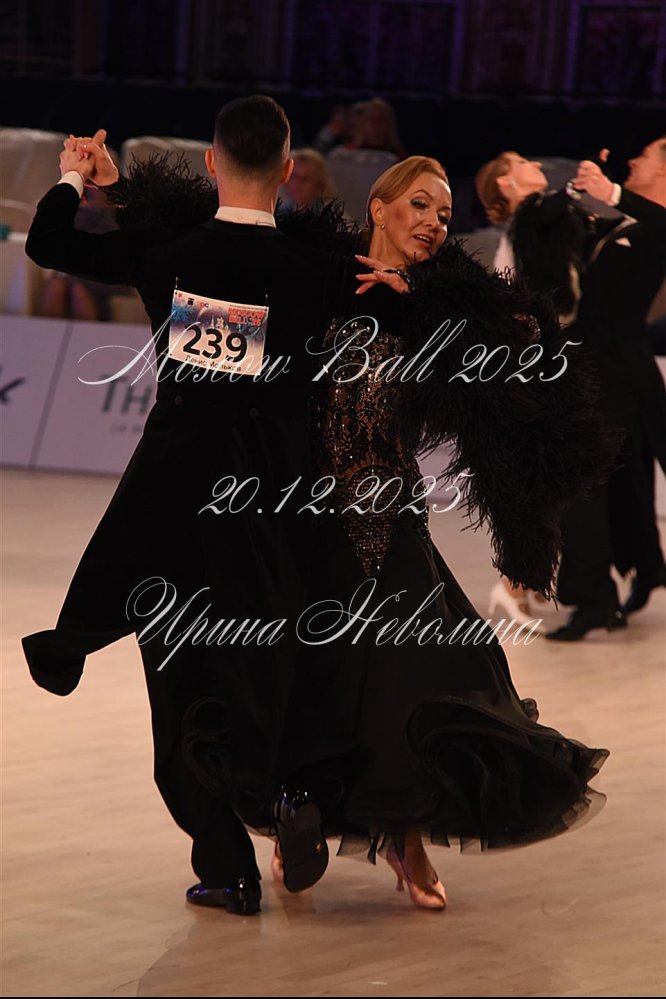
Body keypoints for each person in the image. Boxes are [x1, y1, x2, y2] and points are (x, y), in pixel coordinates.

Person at [186, 156, 611, 910]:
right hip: (299, 513)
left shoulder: (445, 304)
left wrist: (423, 303)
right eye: (419, 205)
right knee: (309, 675)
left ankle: (406, 835)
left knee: (420, 674)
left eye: (444, 215)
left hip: (389, 511)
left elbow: (524, 344)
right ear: (379, 206)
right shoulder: (319, 274)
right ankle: (296, 814)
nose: (433, 224)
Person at [20, 96, 380, 916]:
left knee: (181, 681)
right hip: (275, 502)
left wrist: (78, 178)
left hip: (175, 502)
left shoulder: (167, 252)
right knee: (273, 659)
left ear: (212, 162)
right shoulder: (315, 271)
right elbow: (402, 302)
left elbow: (49, 244)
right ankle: (288, 791)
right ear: (288, 171)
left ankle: (226, 866)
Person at [546, 139, 666, 638]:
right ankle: (645, 569)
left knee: (584, 486)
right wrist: (577, 196)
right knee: (622, 481)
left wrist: (612, 191)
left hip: (618, 376)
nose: (633, 160)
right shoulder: (626, 224)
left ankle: (594, 599)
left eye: (646, 156)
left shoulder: (655, 225)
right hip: (602, 374)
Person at [475, 150, 598, 626]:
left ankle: (521, 583)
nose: (536, 166)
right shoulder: (531, 218)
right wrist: (581, 189)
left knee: (542, 478)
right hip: (535, 365)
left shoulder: (525, 229)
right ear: (506, 184)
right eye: (522, 163)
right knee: (540, 479)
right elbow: (541, 303)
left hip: (534, 361)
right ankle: (513, 583)